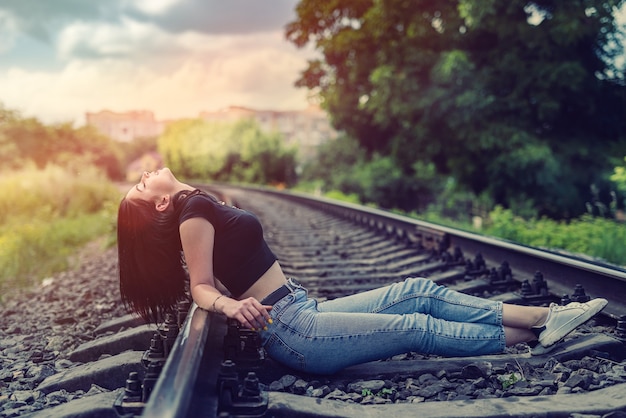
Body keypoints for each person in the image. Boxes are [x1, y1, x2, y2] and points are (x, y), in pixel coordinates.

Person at [117, 168, 608, 374]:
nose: (145, 174)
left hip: (301, 308)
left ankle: (545, 320)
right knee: (416, 326)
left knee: (418, 290)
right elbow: (201, 286)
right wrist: (229, 304)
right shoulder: (190, 214)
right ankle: (541, 330)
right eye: (140, 186)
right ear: (160, 200)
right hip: (293, 332)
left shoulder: (197, 201)